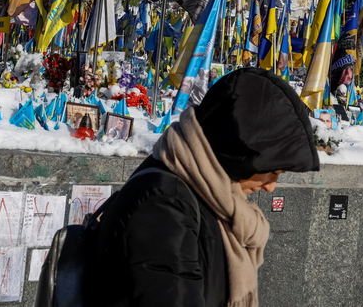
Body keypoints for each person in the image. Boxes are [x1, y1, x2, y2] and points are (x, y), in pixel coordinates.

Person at [87, 68, 319, 307]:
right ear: (240, 154)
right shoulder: (163, 205)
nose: (270, 187)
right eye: (273, 172)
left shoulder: (208, 195)